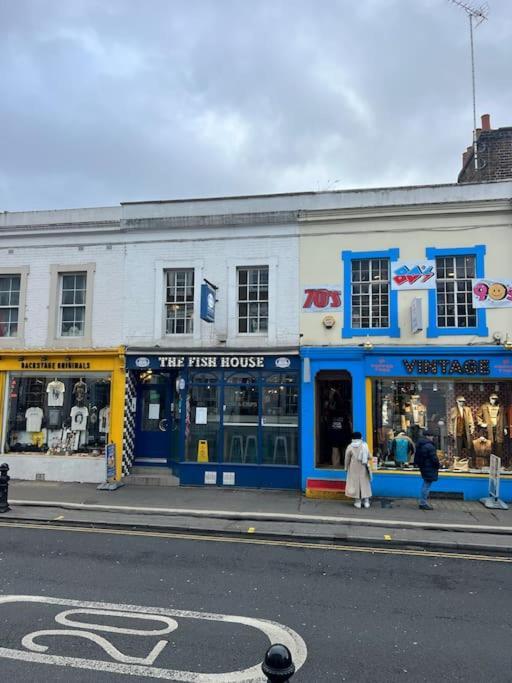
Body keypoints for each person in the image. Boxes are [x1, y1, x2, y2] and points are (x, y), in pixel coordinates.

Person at [344, 431, 372, 509]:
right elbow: (370, 457)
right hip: (363, 467)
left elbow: (347, 459)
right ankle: (366, 502)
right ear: (361, 437)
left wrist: (346, 467)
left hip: (353, 468)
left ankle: (358, 502)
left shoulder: (350, 446)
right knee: (364, 484)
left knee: (355, 484)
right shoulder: (364, 445)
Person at [414, 430, 439, 510]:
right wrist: (438, 465)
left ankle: (423, 502)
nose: (432, 438)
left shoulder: (421, 444)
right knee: (426, 485)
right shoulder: (429, 446)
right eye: (431, 436)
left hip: (424, 467)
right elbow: (434, 459)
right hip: (429, 467)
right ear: (428, 436)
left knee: (426, 484)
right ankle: (423, 503)